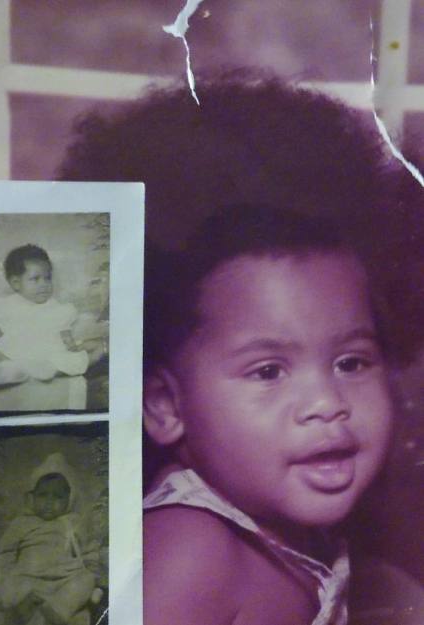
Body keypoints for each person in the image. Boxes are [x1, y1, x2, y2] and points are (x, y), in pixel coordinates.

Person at [59, 72, 424, 624]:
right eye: (269, 371)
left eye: (350, 362)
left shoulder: (306, 538)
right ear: (164, 405)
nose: (326, 402)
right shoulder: (191, 550)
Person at [0, 453, 102, 625]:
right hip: (28, 578)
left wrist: (93, 575)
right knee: (12, 590)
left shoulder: (74, 522)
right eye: (43, 495)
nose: (49, 502)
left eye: (58, 497)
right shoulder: (21, 523)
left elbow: (89, 552)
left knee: (85, 581)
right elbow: (3, 554)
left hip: (64, 581)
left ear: (70, 498)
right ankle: (23, 612)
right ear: (31, 497)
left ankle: (53, 614)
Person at [0, 244, 90, 386]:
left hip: (45, 352)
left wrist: (69, 342)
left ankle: (46, 371)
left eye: (47, 278)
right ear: (16, 283)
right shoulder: (4, 305)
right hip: (15, 351)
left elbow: (65, 332)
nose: (44, 284)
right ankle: (10, 372)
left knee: (75, 358)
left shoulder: (58, 308)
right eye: (35, 279)